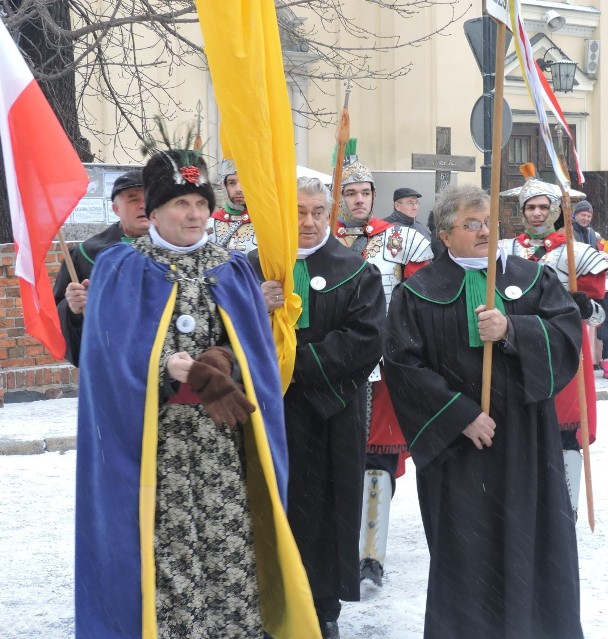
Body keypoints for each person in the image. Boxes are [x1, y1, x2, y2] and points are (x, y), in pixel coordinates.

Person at [74, 150, 317, 638]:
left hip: (222, 444)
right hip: (153, 448)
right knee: (167, 549)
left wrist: (222, 361)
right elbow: (105, 360)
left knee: (230, 545)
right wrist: (164, 368)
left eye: (201, 203)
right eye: (181, 203)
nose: (195, 214)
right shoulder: (120, 267)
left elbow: (256, 354)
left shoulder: (232, 268)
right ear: (156, 210)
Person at [383, 184, 584, 639]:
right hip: (459, 449)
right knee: (465, 554)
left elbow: (568, 337)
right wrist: (459, 415)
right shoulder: (417, 292)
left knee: (532, 541)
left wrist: (514, 328)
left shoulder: (533, 278)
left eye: (490, 223)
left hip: (525, 440)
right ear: (444, 234)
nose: (484, 232)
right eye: (471, 224)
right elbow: (401, 364)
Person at [256, 178, 385, 639]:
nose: (308, 222)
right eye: (297, 212)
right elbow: (224, 330)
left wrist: (293, 365)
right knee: (271, 510)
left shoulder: (356, 271)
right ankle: (267, 602)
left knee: (324, 512)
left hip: (330, 413)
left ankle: (320, 606)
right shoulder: (255, 269)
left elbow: (365, 340)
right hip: (265, 413)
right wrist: (256, 305)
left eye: (316, 212)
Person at [333, 152, 433, 588]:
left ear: (374, 196)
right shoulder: (321, 237)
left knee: (379, 455)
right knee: (337, 456)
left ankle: (371, 553)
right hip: (334, 363)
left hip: (384, 364)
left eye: (364, 193)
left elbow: (420, 301)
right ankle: (337, 544)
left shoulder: (402, 240)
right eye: (350, 193)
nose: (358, 200)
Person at [499, 172, 608, 517]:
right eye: (530, 207)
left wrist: (585, 306)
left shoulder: (578, 253)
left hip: (563, 349)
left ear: (557, 210)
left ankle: (567, 504)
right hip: (515, 346)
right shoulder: (502, 251)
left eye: (543, 207)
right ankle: (525, 501)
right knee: (519, 428)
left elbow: (600, 315)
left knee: (565, 430)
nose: (536, 213)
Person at [53, 169, 148, 365]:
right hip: (110, 364)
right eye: (132, 199)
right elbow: (59, 312)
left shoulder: (176, 249)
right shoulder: (85, 255)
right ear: (115, 209)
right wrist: (73, 308)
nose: (143, 205)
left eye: (149, 197)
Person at [208, 159, 258, 256]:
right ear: (224, 186)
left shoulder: (264, 225)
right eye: (232, 183)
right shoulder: (210, 223)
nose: (239, 189)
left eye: (244, 182)